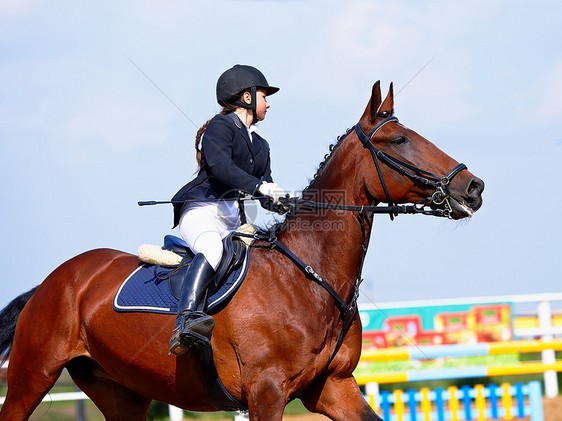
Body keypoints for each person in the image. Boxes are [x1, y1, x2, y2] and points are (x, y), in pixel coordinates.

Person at [169, 64, 288, 355]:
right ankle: (184, 321)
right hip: (202, 211)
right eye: (264, 95)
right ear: (246, 97)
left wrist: (288, 203)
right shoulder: (220, 128)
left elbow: (264, 191)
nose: (268, 102)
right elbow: (221, 169)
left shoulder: (261, 145)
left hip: (234, 220)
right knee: (212, 250)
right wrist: (260, 187)